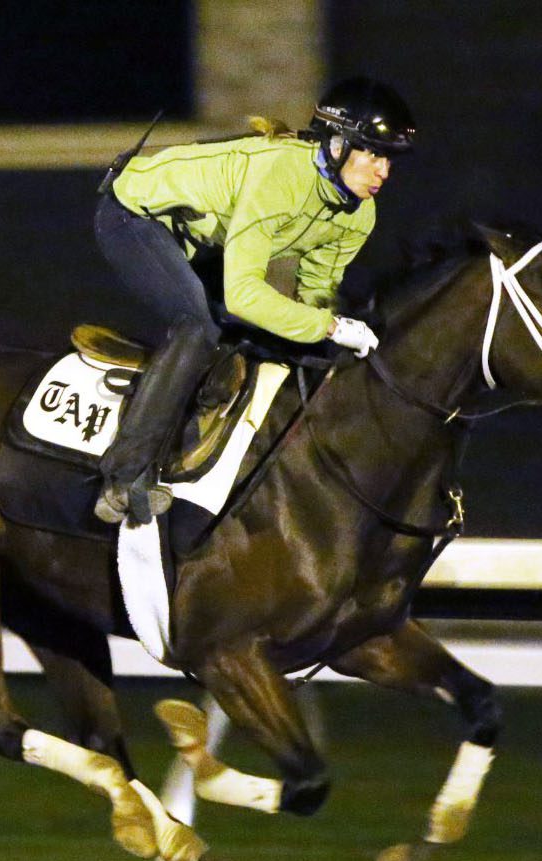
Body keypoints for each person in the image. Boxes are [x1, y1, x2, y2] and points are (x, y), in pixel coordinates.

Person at [92, 76, 416, 525]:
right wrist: (328, 327)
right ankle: (124, 477)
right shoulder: (283, 174)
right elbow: (244, 294)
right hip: (135, 215)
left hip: (195, 238)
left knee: (262, 335)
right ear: (338, 144)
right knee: (197, 323)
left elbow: (317, 291)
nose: (384, 171)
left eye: (390, 160)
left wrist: (331, 330)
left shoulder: (359, 214)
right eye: (374, 154)